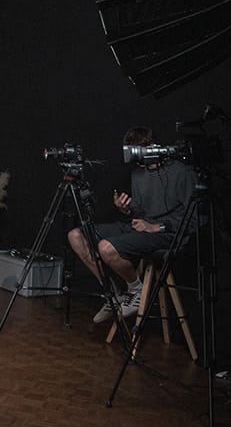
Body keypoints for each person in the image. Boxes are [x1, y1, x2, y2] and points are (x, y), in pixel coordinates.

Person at [66, 126, 196, 323]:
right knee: (76, 236)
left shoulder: (181, 172)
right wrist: (126, 209)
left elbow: (196, 219)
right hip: (143, 228)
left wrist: (157, 227)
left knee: (106, 248)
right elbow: (142, 213)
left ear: (152, 147)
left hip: (170, 234)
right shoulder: (138, 175)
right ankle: (112, 295)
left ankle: (136, 290)